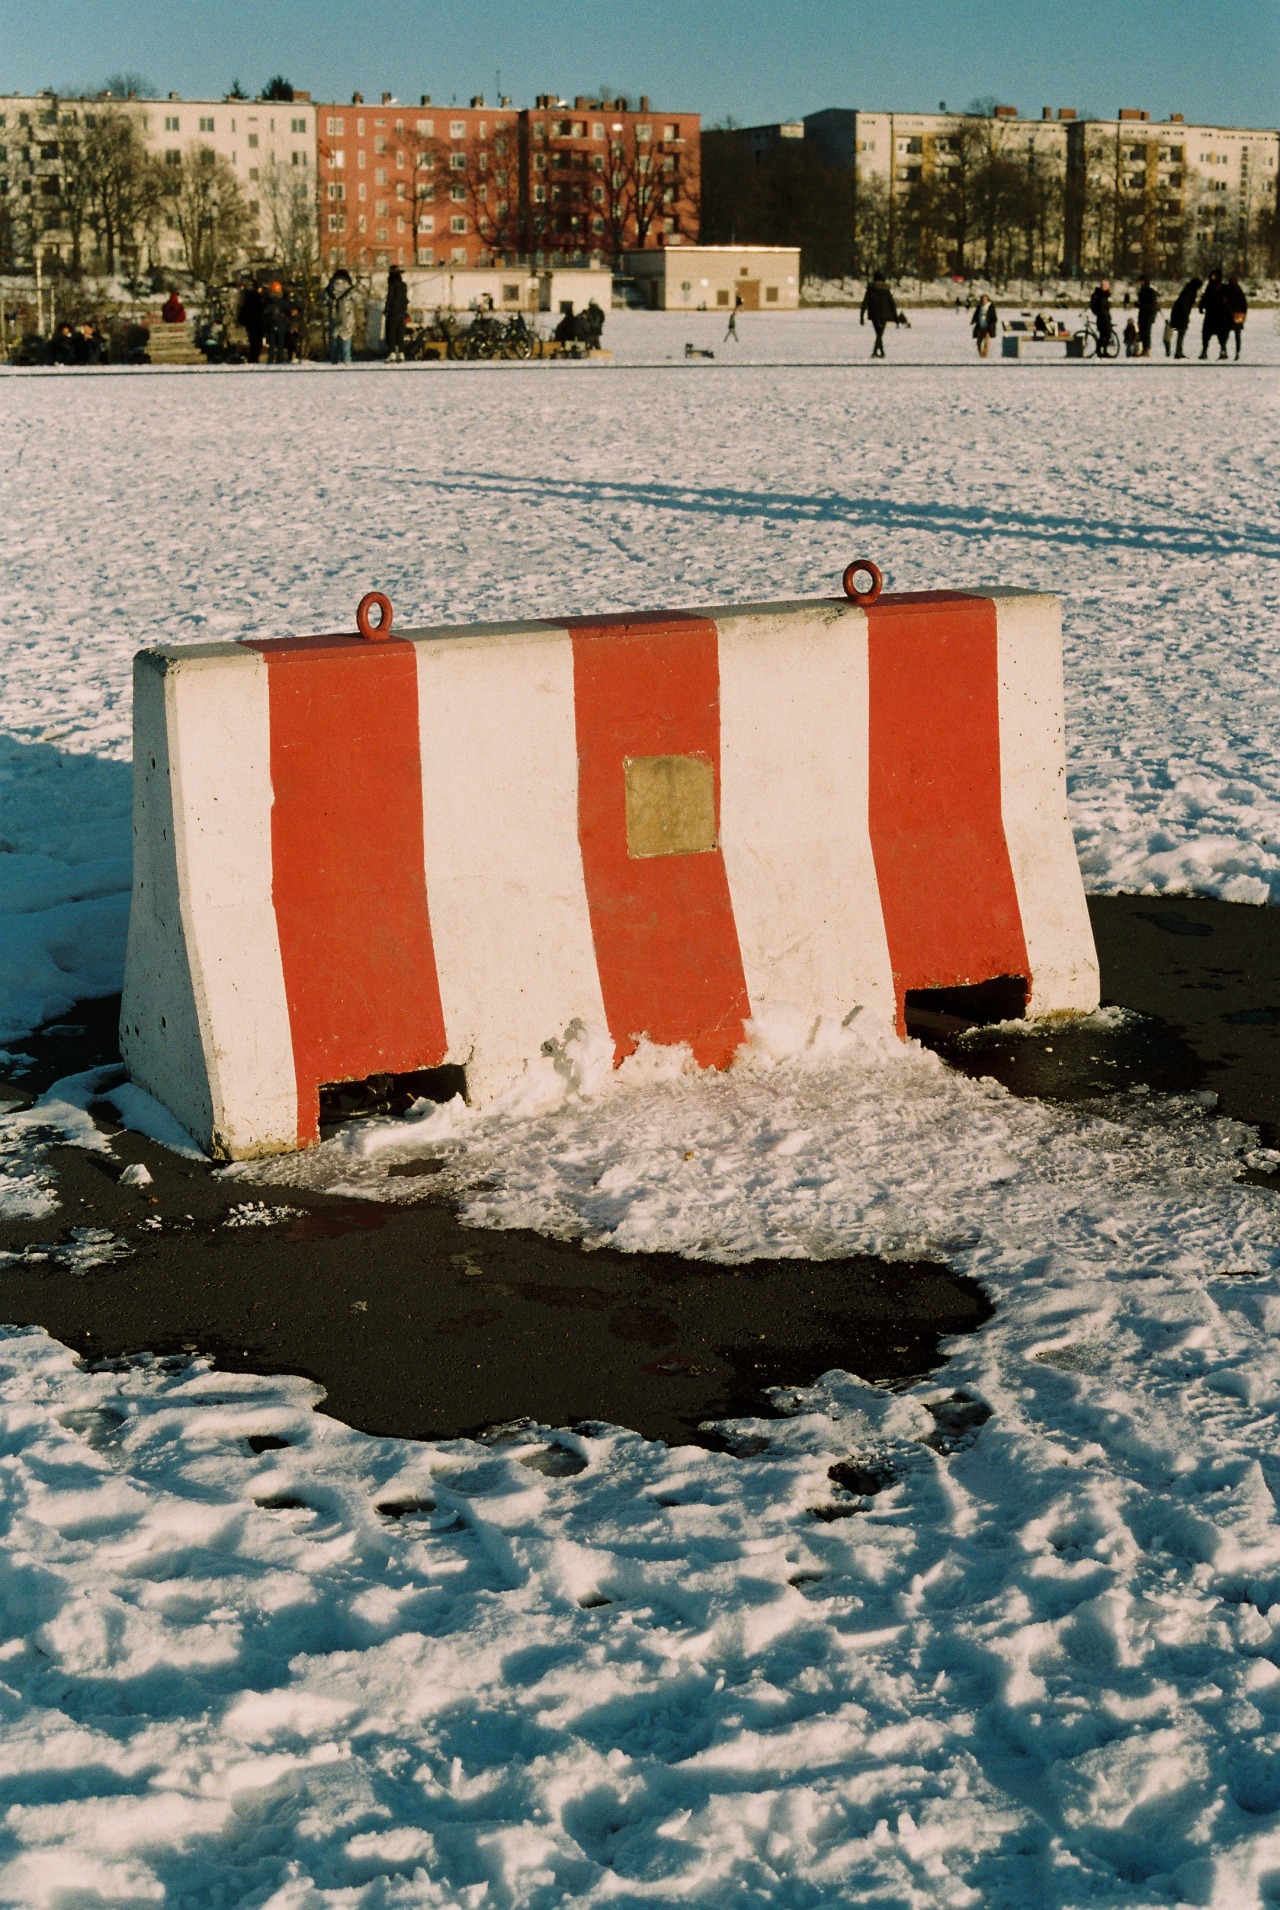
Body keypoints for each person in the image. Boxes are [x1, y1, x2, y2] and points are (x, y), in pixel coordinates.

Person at [860, 273, 899, 358]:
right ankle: (878, 352)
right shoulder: (886, 290)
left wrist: (861, 316)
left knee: (878, 334)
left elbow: (864, 303)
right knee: (879, 334)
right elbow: (892, 304)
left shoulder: (870, 289)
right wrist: (895, 317)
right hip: (884, 314)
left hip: (874, 314)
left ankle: (879, 352)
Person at [325, 268, 355, 364]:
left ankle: (334, 362)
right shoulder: (350, 288)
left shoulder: (329, 288)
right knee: (346, 343)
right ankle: (346, 362)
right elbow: (357, 299)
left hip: (333, 319)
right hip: (347, 319)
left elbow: (322, 301)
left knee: (334, 343)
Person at [1198, 268, 1229, 360]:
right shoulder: (1209, 288)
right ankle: (1204, 351)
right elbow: (1205, 298)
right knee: (1206, 334)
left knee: (1222, 335)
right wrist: (1201, 307)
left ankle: (1223, 351)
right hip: (1210, 315)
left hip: (1220, 315)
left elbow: (1228, 301)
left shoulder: (1223, 288)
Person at [1167, 276, 1200, 358]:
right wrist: (1186, 316)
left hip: (1178, 314)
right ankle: (1178, 352)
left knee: (1180, 333)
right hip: (1180, 315)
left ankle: (1178, 351)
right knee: (1181, 333)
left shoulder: (1187, 290)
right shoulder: (1189, 292)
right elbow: (1184, 305)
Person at [383, 264, 408, 360]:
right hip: (402, 310)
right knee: (400, 332)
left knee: (391, 331)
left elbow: (390, 297)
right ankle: (401, 353)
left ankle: (392, 352)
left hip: (393, 310)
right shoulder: (403, 285)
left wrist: (386, 309)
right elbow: (405, 299)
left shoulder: (392, 284)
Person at [237, 279, 264, 363]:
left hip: (249, 322)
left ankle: (252, 357)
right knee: (256, 341)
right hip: (256, 322)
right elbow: (260, 310)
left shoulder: (247, 298)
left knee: (253, 340)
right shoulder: (257, 298)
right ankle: (253, 358)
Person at [263, 280, 288, 364]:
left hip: (271, 325)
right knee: (280, 344)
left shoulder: (268, 301)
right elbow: (290, 309)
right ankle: (279, 360)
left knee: (271, 344)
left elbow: (264, 312)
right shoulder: (283, 301)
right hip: (281, 325)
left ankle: (270, 360)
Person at [1088, 279, 1114, 356]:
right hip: (1103, 318)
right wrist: (1104, 316)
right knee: (1106, 334)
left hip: (1104, 317)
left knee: (1104, 335)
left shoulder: (1102, 295)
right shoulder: (1101, 296)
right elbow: (1102, 308)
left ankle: (1101, 351)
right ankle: (1102, 351)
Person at [1226, 275, 1248, 360]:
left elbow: (1243, 303)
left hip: (1233, 315)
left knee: (1228, 334)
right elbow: (1244, 304)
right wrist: (1244, 314)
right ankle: (1235, 352)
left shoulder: (1228, 289)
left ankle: (1225, 351)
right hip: (1237, 315)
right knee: (1236, 335)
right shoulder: (1238, 289)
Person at [1136, 277, 1159, 358]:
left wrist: (1140, 305)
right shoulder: (1141, 291)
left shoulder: (1151, 292)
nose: (1140, 283)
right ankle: (1144, 349)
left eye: (1141, 281)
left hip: (1149, 315)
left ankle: (1147, 350)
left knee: (1146, 333)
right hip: (1142, 315)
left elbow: (1152, 306)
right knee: (1142, 333)